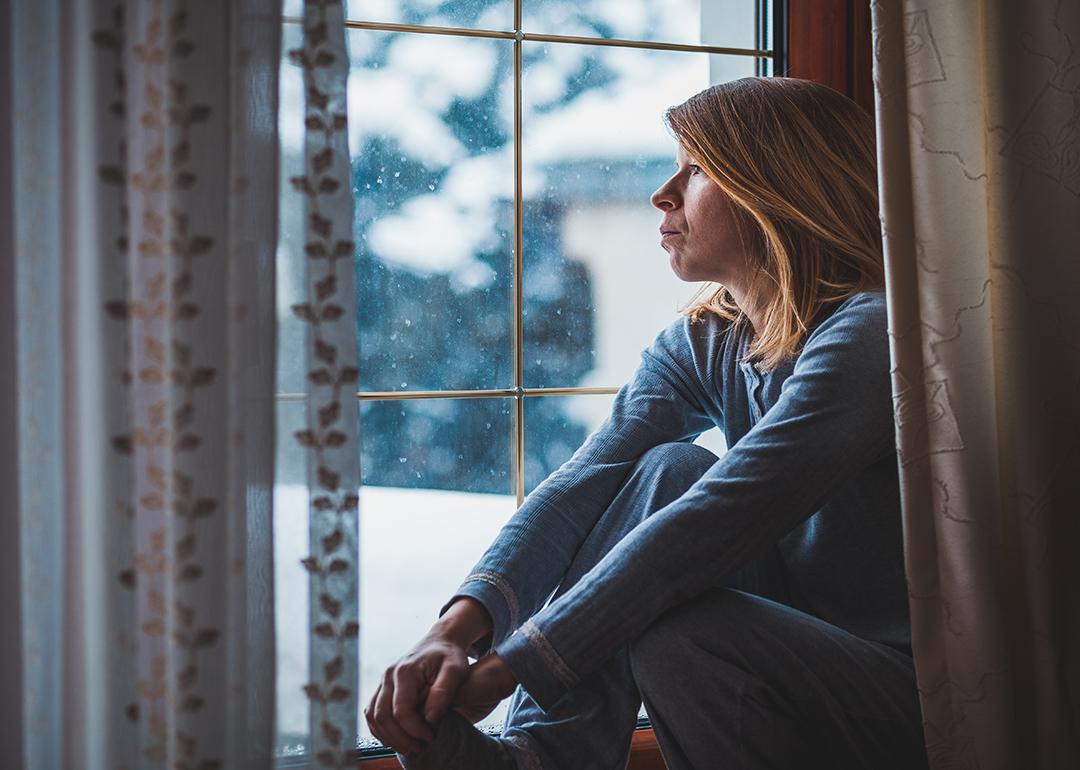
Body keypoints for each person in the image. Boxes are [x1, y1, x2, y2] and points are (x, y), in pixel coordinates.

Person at [365, 77, 929, 770]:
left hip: (899, 693)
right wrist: (453, 632)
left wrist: (509, 668)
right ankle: (540, 755)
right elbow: (586, 483)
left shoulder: (871, 334)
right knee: (666, 468)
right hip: (785, 640)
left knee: (681, 630)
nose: (662, 193)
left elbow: (722, 519)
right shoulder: (710, 337)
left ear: (777, 188)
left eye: (695, 170)